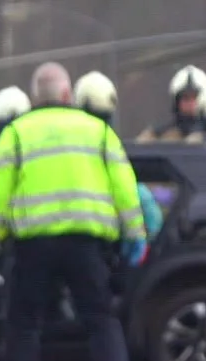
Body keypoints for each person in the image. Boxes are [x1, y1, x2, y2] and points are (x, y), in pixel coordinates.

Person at [0, 63, 145, 361]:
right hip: (87, 242)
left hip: (34, 244)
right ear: (68, 94)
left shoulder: (17, 133)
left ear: (35, 97)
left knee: (23, 324)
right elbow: (125, 187)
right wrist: (135, 234)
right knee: (100, 319)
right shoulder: (98, 131)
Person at [75, 71, 163, 246]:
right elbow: (129, 191)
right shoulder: (109, 143)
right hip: (103, 244)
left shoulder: (67, 146)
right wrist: (137, 235)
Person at [138, 65, 206, 142]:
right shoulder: (159, 136)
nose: (191, 104)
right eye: (186, 99)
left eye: (196, 98)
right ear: (177, 103)